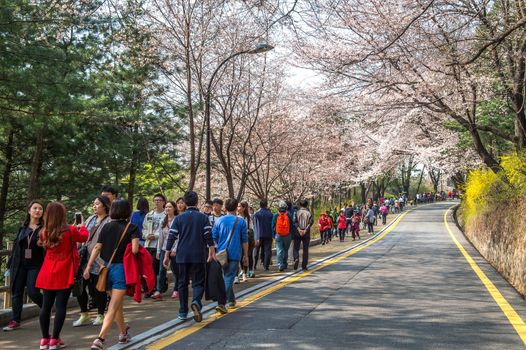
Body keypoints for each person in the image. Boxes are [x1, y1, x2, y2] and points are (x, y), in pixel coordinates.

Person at [87, 199, 140, 350]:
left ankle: (123, 332)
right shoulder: (132, 228)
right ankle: (100, 339)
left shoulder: (106, 226)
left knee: (117, 305)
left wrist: (88, 267)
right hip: (121, 270)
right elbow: (135, 250)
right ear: (127, 211)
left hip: (105, 269)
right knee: (113, 306)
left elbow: (97, 247)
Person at [36, 202, 88, 350]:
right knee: (60, 306)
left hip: (47, 271)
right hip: (64, 271)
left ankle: (44, 339)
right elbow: (84, 237)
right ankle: (54, 339)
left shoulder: (44, 231)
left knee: (46, 306)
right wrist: (82, 226)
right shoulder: (71, 230)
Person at [163, 191, 216, 322]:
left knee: (182, 283)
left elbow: (171, 237)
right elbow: (208, 236)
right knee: (198, 282)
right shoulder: (203, 218)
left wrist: (166, 254)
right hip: (199, 254)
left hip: (182, 255)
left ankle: (182, 311)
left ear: (185, 203)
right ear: (197, 202)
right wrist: (212, 250)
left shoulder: (179, 218)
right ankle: (197, 302)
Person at [3, 201, 45, 332]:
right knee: (17, 292)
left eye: (40, 209)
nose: (37, 211)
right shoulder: (23, 227)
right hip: (20, 264)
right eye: (35, 208)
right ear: (29, 211)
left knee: (33, 292)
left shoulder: (44, 228)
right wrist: (10, 265)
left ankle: (47, 307)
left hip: (35, 264)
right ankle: (16, 320)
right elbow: (16, 246)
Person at [73, 196, 111, 327]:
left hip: (100, 259)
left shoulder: (109, 220)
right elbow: (82, 236)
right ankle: (84, 314)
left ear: (105, 206)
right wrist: (79, 227)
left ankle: (100, 314)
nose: (94, 206)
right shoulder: (90, 219)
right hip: (85, 258)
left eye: (97, 204)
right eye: (93, 204)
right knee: (79, 286)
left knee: (99, 288)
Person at [212, 198, 248, 311]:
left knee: (226, 277)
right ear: (236, 208)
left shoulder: (219, 221)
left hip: (221, 253)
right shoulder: (241, 221)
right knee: (228, 277)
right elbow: (245, 240)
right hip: (234, 253)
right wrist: (246, 254)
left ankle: (231, 300)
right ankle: (222, 302)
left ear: (225, 208)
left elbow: (214, 238)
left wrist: (213, 252)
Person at [153, 198, 185, 300]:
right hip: (164, 248)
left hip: (175, 249)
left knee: (176, 270)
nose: (167, 208)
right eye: (166, 207)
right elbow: (161, 237)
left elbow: (179, 236)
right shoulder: (163, 221)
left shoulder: (178, 219)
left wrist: (175, 249)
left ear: (174, 208)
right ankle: (159, 290)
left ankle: (176, 290)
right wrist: (159, 250)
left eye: (170, 207)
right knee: (162, 269)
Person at [142, 193, 166, 297]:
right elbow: (144, 228)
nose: (157, 202)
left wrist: (155, 236)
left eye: (159, 200)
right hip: (148, 244)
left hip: (159, 245)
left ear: (164, 202)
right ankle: (149, 288)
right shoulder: (149, 215)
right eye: (155, 200)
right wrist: (147, 235)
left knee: (156, 267)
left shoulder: (165, 214)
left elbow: (166, 230)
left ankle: (156, 288)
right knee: (148, 267)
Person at [252, 200, 273, 271]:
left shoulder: (257, 214)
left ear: (260, 205)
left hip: (258, 234)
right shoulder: (270, 214)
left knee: (256, 250)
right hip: (268, 234)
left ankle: (254, 265)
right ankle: (266, 266)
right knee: (267, 250)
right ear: (266, 205)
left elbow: (254, 225)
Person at [272, 201, 292, 272]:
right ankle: (285, 263)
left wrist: (273, 235)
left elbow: (272, 226)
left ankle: (280, 265)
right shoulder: (289, 215)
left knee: (279, 250)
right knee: (285, 250)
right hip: (287, 235)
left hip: (278, 235)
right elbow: (292, 225)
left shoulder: (275, 215)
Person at [293, 199, 313, 271]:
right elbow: (310, 222)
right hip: (306, 233)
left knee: (296, 248)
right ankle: (304, 265)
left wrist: (299, 229)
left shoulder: (296, 212)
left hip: (297, 233)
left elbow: (295, 222)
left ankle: (296, 258)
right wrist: (305, 230)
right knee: (305, 250)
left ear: (300, 205)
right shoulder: (309, 213)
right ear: (306, 205)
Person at [237, 201, 255, 280]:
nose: (238, 208)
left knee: (248, 255)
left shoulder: (248, 218)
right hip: (239, 239)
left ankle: (249, 270)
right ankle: (243, 270)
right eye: (237, 206)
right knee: (241, 255)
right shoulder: (236, 217)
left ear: (244, 208)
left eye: (240, 206)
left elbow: (252, 229)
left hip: (248, 239)